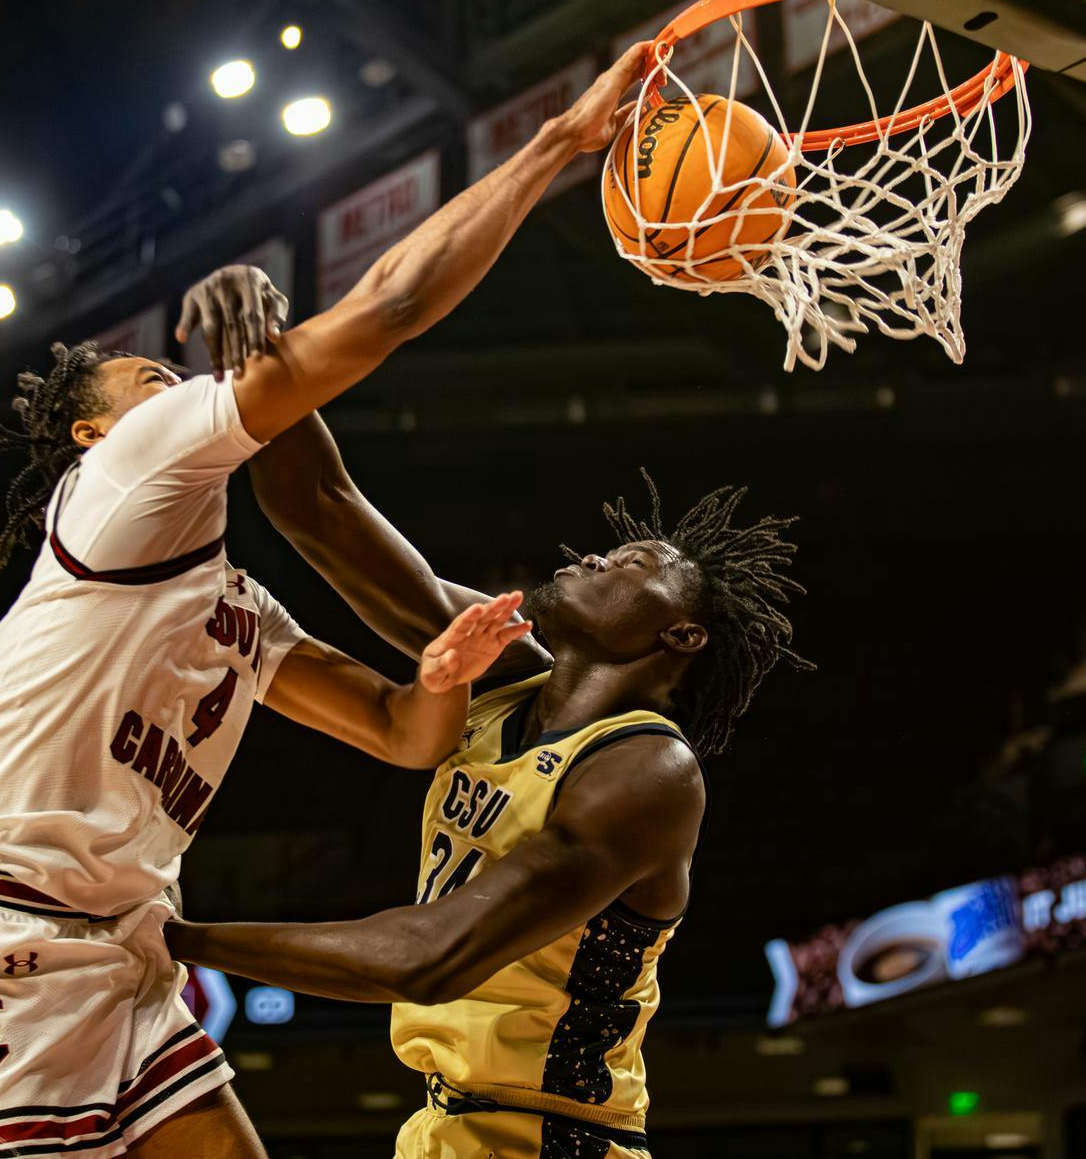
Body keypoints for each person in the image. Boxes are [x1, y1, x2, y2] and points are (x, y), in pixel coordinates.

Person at [0, 44, 652, 1159]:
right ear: (97, 432)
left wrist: (435, 679)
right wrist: (554, 144)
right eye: (148, 378)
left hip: (123, 948)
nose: (172, 385)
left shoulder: (227, 605)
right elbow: (386, 309)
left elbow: (397, 734)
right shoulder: (122, 476)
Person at [165, 282, 812, 1159]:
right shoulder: (500, 670)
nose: (595, 553)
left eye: (633, 564)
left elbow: (427, 955)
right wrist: (259, 353)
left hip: (557, 1140)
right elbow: (320, 508)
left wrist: (172, 937)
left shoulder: (647, 773)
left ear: (681, 634)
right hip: (446, 1126)